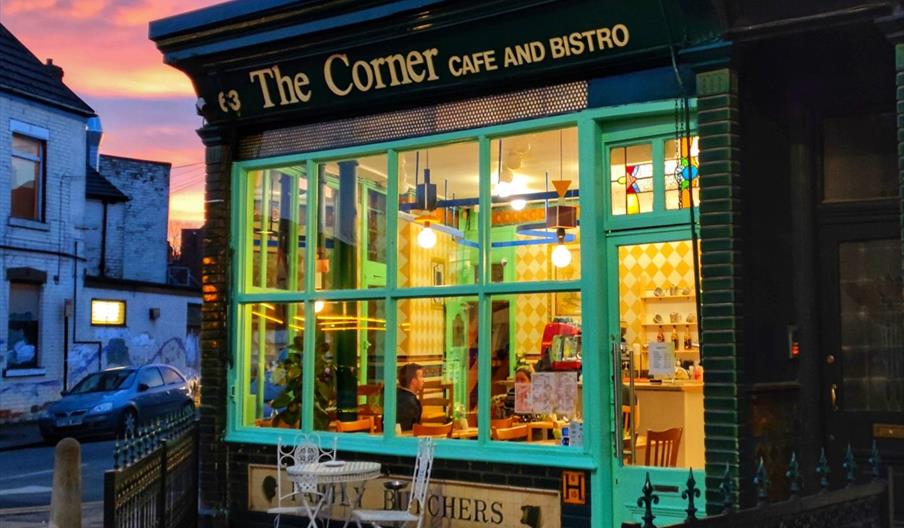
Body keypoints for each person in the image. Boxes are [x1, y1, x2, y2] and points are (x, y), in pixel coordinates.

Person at [396, 363, 424, 431]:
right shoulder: (409, 403)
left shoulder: (397, 395)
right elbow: (405, 430)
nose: (423, 380)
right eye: (421, 376)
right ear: (413, 381)